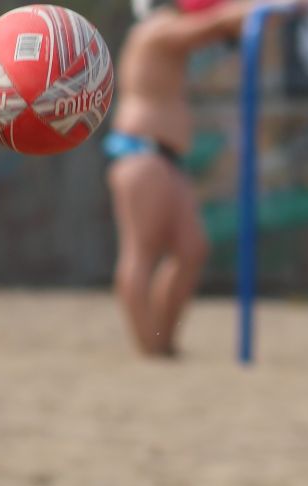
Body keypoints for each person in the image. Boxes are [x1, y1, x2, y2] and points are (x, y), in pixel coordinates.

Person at [107, 0, 279, 358]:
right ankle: (147, 347)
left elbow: (218, 27)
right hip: (141, 153)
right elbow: (213, 24)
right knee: (142, 250)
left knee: (191, 248)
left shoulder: (169, 33)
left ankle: (163, 341)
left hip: (165, 156)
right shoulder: (156, 29)